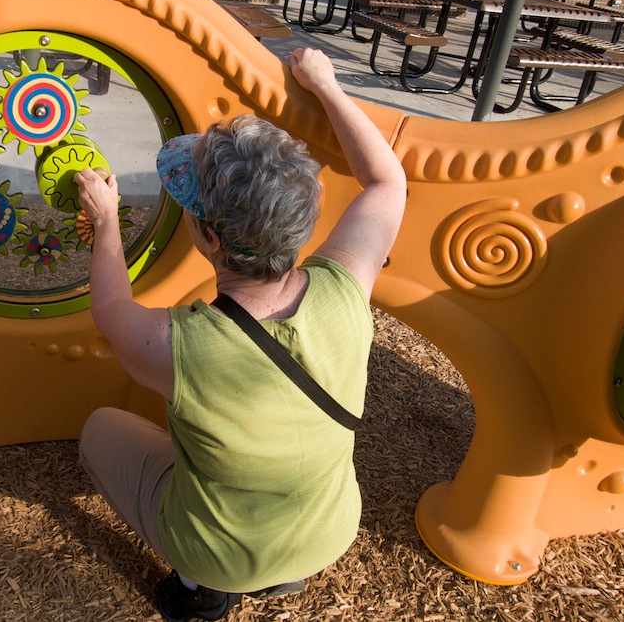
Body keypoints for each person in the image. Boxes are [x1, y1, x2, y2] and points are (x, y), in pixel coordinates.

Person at [72, 47, 406, 622]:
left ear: (209, 238)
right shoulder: (347, 289)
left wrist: (105, 220)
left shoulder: (179, 345)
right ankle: (288, 577)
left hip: (220, 554)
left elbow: (109, 307)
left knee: (99, 431)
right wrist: (326, 85)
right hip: (330, 533)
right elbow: (386, 179)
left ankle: (200, 587)